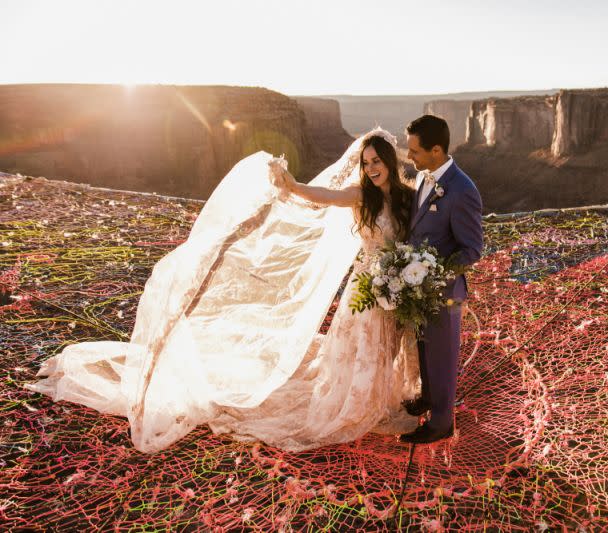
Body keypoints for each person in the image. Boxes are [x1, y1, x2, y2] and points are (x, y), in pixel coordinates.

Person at [25, 129, 421, 453]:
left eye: (377, 162)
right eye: (366, 163)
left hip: (395, 286)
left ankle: (381, 396)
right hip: (365, 288)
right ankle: (356, 403)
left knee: (387, 344)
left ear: (390, 161)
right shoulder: (359, 197)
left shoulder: (406, 198)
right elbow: (323, 198)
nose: (371, 169)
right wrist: (293, 185)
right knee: (363, 346)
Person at [399, 115, 484, 444]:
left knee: (443, 356)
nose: (410, 157)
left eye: (415, 151)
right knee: (423, 349)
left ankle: (442, 423)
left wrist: (433, 273)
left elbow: (472, 249)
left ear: (437, 150)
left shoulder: (463, 190)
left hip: (444, 292)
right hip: (418, 291)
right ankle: (428, 398)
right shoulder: (424, 177)